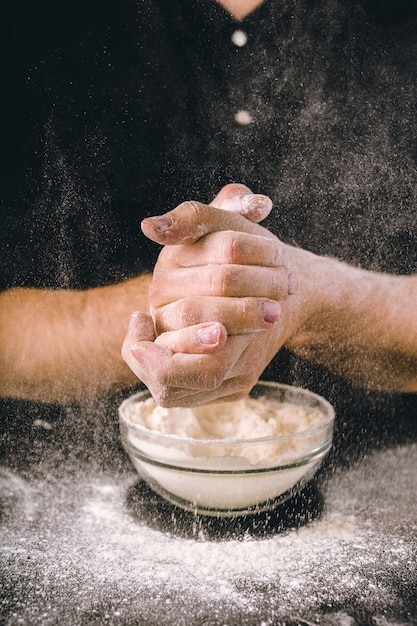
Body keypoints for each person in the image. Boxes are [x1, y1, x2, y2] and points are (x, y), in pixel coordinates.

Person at [1, 0, 416, 456]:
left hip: (389, 478)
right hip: (56, 485)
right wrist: (211, 297)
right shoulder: (33, 18)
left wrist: (317, 292)